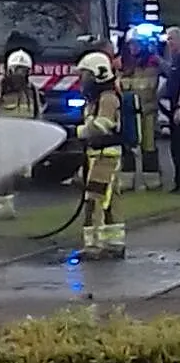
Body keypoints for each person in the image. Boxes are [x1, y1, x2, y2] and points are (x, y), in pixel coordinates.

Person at [0, 47, 43, 220]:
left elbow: (36, 116)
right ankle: (3, 207)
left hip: (22, 143)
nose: (20, 74)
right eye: (17, 70)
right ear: (9, 69)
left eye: (24, 70)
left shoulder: (32, 91)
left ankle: (1, 204)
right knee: (3, 175)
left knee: (19, 177)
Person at [69, 51, 126, 259]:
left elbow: (102, 126)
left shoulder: (108, 98)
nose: (82, 80)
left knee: (94, 198)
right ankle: (113, 243)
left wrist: (74, 132)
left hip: (106, 155)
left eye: (85, 75)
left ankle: (94, 246)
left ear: (97, 74)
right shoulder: (97, 97)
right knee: (109, 201)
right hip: (98, 154)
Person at [118, 29, 161, 190]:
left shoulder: (152, 62)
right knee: (128, 145)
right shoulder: (122, 63)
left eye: (137, 44)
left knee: (148, 146)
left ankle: (152, 181)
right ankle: (127, 181)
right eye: (131, 45)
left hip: (147, 111)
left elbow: (152, 87)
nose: (133, 48)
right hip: (128, 112)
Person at [162, 26, 180, 192]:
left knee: (178, 146)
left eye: (171, 39)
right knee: (175, 147)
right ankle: (177, 181)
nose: (169, 43)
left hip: (179, 109)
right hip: (173, 108)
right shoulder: (175, 59)